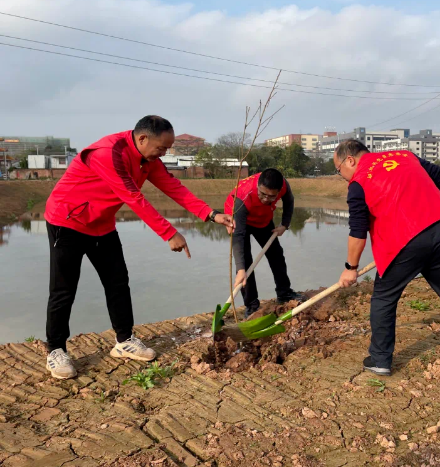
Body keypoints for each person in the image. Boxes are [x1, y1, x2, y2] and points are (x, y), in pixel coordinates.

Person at [43, 115, 233, 379]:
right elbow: (133, 197)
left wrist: (211, 214)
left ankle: (124, 341)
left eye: (168, 149)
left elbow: (173, 187)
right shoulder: (108, 154)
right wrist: (169, 233)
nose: (164, 154)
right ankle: (56, 350)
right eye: (162, 148)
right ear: (142, 138)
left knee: (118, 282)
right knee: (64, 290)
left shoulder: (148, 159)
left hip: (101, 223)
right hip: (68, 221)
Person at [334, 140, 440, 387]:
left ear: (350, 160)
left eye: (338, 170)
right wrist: (433, 210)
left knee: (384, 297)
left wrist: (350, 268)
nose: (342, 177)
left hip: (405, 242)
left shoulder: (358, 183)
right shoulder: (404, 156)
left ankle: (379, 359)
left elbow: (358, 231)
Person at [225, 168, 305, 318]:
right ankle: (251, 304)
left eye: (271, 196)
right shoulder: (243, 196)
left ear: (278, 190)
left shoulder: (283, 186)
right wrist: (240, 268)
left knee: (276, 255)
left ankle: (284, 293)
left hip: (262, 219)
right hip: (239, 220)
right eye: (262, 194)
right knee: (245, 265)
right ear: (258, 187)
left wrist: (285, 224)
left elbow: (289, 200)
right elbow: (239, 236)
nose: (265, 200)